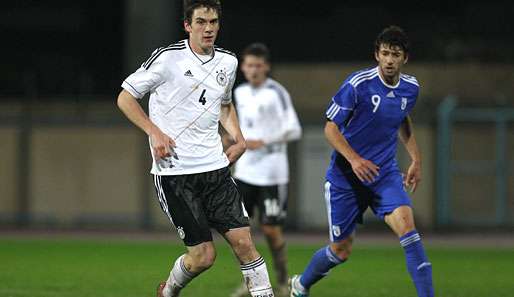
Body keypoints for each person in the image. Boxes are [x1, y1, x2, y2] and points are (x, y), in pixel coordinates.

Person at [116, 1, 274, 297]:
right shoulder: (167, 58)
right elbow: (125, 98)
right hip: (176, 174)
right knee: (204, 257)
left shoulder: (227, 62)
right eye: (201, 22)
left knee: (245, 244)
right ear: (187, 25)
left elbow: (224, 105)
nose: (209, 28)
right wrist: (154, 132)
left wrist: (238, 137)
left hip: (215, 169)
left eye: (213, 22)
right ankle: (168, 292)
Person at [289, 26, 434, 297]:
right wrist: (355, 160)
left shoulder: (411, 88)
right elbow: (330, 128)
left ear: (405, 58)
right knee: (340, 251)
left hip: (384, 175)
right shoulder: (358, 84)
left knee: (409, 231)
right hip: (346, 178)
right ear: (377, 55)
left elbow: (403, 119)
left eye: (396, 54)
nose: (390, 60)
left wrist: (416, 158)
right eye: (385, 53)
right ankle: (301, 284)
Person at [230, 43, 302, 297]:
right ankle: (251, 282)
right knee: (240, 234)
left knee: (271, 231)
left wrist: (265, 140)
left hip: (272, 173)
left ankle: (282, 280)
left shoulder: (276, 92)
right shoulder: (238, 93)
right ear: (243, 67)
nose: (254, 70)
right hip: (245, 172)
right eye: (249, 65)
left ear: (267, 67)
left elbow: (294, 129)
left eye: (258, 65)